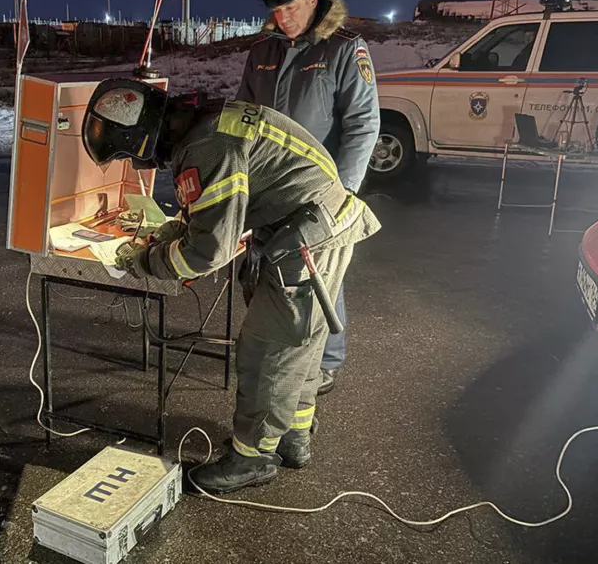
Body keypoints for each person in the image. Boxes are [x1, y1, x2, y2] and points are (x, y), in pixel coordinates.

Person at [81, 78, 381, 494]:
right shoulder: (206, 122)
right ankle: (293, 438)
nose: (138, 166)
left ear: (143, 139)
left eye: (132, 156)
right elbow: (225, 205)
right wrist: (176, 229)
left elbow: (205, 254)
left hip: (307, 238)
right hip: (313, 223)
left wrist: (145, 261)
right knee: (301, 346)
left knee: (269, 350)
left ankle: (251, 459)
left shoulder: (205, 147)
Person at [236, 0, 380, 396]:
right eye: (276, 11)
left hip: (321, 190)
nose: (283, 18)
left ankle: (328, 361)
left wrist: (345, 193)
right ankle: (277, 349)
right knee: (270, 269)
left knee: (319, 275)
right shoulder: (262, 51)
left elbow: (362, 124)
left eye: (292, 8)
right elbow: (241, 115)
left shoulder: (341, 48)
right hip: (268, 186)